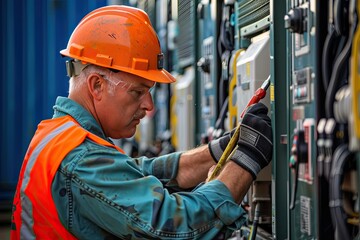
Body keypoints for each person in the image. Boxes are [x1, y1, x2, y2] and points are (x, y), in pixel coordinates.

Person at [10, 5, 273, 239]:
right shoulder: (81, 160)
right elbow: (175, 229)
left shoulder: (59, 136)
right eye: (137, 92)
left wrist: (215, 153)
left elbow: (134, 173)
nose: (149, 106)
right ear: (97, 85)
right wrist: (246, 159)